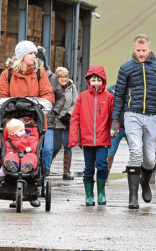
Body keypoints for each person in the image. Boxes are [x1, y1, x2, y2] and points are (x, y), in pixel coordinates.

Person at [111, 35, 156, 209]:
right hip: (132, 115)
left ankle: (144, 183)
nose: (141, 54)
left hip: (152, 115)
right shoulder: (126, 68)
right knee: (135, 151)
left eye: (144, 51)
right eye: (138, 51)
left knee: (150, 160)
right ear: (134, 49)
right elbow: (119, 95)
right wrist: (116, 120)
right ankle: (132, 196)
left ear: (150, 49)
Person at [0, 40, 55, 208]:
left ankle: (34, 189)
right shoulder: (7, 75)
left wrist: (34, 104)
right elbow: (1, 95)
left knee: (37, 155)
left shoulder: (40, 74)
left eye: (35, 54)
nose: (34, 57)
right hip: (13, 123)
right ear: (22, 56)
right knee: (13, 152)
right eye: (31, 54)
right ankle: (14, 191)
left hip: (34, 122)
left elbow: (48, 95)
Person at [69, 66, 113, 206]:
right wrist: (74, 137)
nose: (95, 83)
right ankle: (89, 195)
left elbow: (113, 117)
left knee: (102, 164)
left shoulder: (109, 97)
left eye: (98, 80)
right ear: (89, 81)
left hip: (102, 139)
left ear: (103, 81)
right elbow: (75, 117)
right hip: (87, 140)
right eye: (93, 80)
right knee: (88, 168)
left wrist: (114, 128)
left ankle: (101, 192)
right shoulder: (82, 97)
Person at [35, 46, 66, 177]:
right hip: (31, 120)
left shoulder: (52, 78)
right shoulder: (29, 76)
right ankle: (34, 171)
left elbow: (61, 97)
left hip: (48, 120)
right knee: (33, 149)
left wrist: (54, 111)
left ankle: (45, 171)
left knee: (48, 149)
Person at [52, 67, 78, 180]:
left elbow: (75, 102)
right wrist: (57, 115)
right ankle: (46, 167)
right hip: (56, 120)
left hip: (67, 120)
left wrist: (69, 114)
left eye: (66, 76)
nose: (64, 79)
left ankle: (66, 172)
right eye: (61, 76)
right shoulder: (52, 87)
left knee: (68, 145)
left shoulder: (72, 87)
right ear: (57, 77)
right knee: (55, 146)